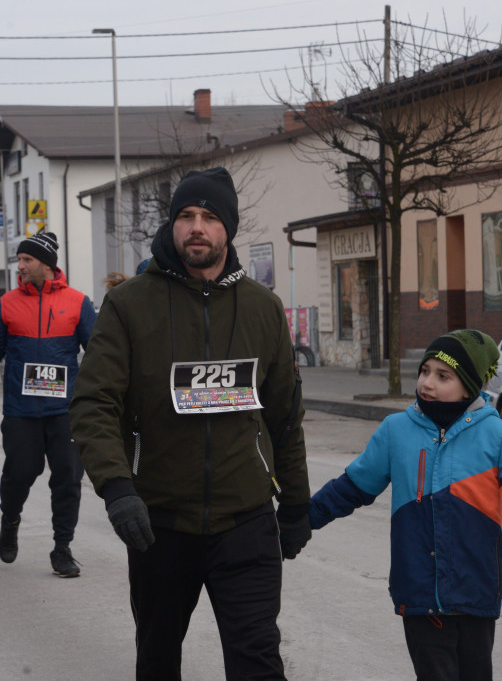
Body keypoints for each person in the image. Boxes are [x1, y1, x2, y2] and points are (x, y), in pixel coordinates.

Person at [69, 167, 311, 679]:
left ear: (229, 228)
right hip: (160, 524)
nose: (196, 227)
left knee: (258, 660)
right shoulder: (130, 304)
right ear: (172, 226)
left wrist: (294, 504)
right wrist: (117, 488)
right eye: (185, 216)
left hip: (245, 521)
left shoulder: (262, 309)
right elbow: (94, 402)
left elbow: (286, 416)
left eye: (208, 217)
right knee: (157, 659)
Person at [308, 329, 502, 680]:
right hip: (419, 591)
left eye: (442, 375)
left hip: (475, 589)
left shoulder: (495, 434)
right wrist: (305, 517)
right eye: (424, 372)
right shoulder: (396, 431)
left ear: (469, 386)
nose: (427, 382)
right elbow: (353, 486)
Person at [0, 231, 95, 578]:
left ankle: (62, 548)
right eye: (19, 260)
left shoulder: (78, 302)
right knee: (20, 474)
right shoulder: (7, 303)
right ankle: (10, 521)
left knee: (68, 477)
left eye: (26, 260)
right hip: (21, 410)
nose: (19, 266)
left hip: (64, 410)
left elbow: (97, 349)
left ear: (46, 265)